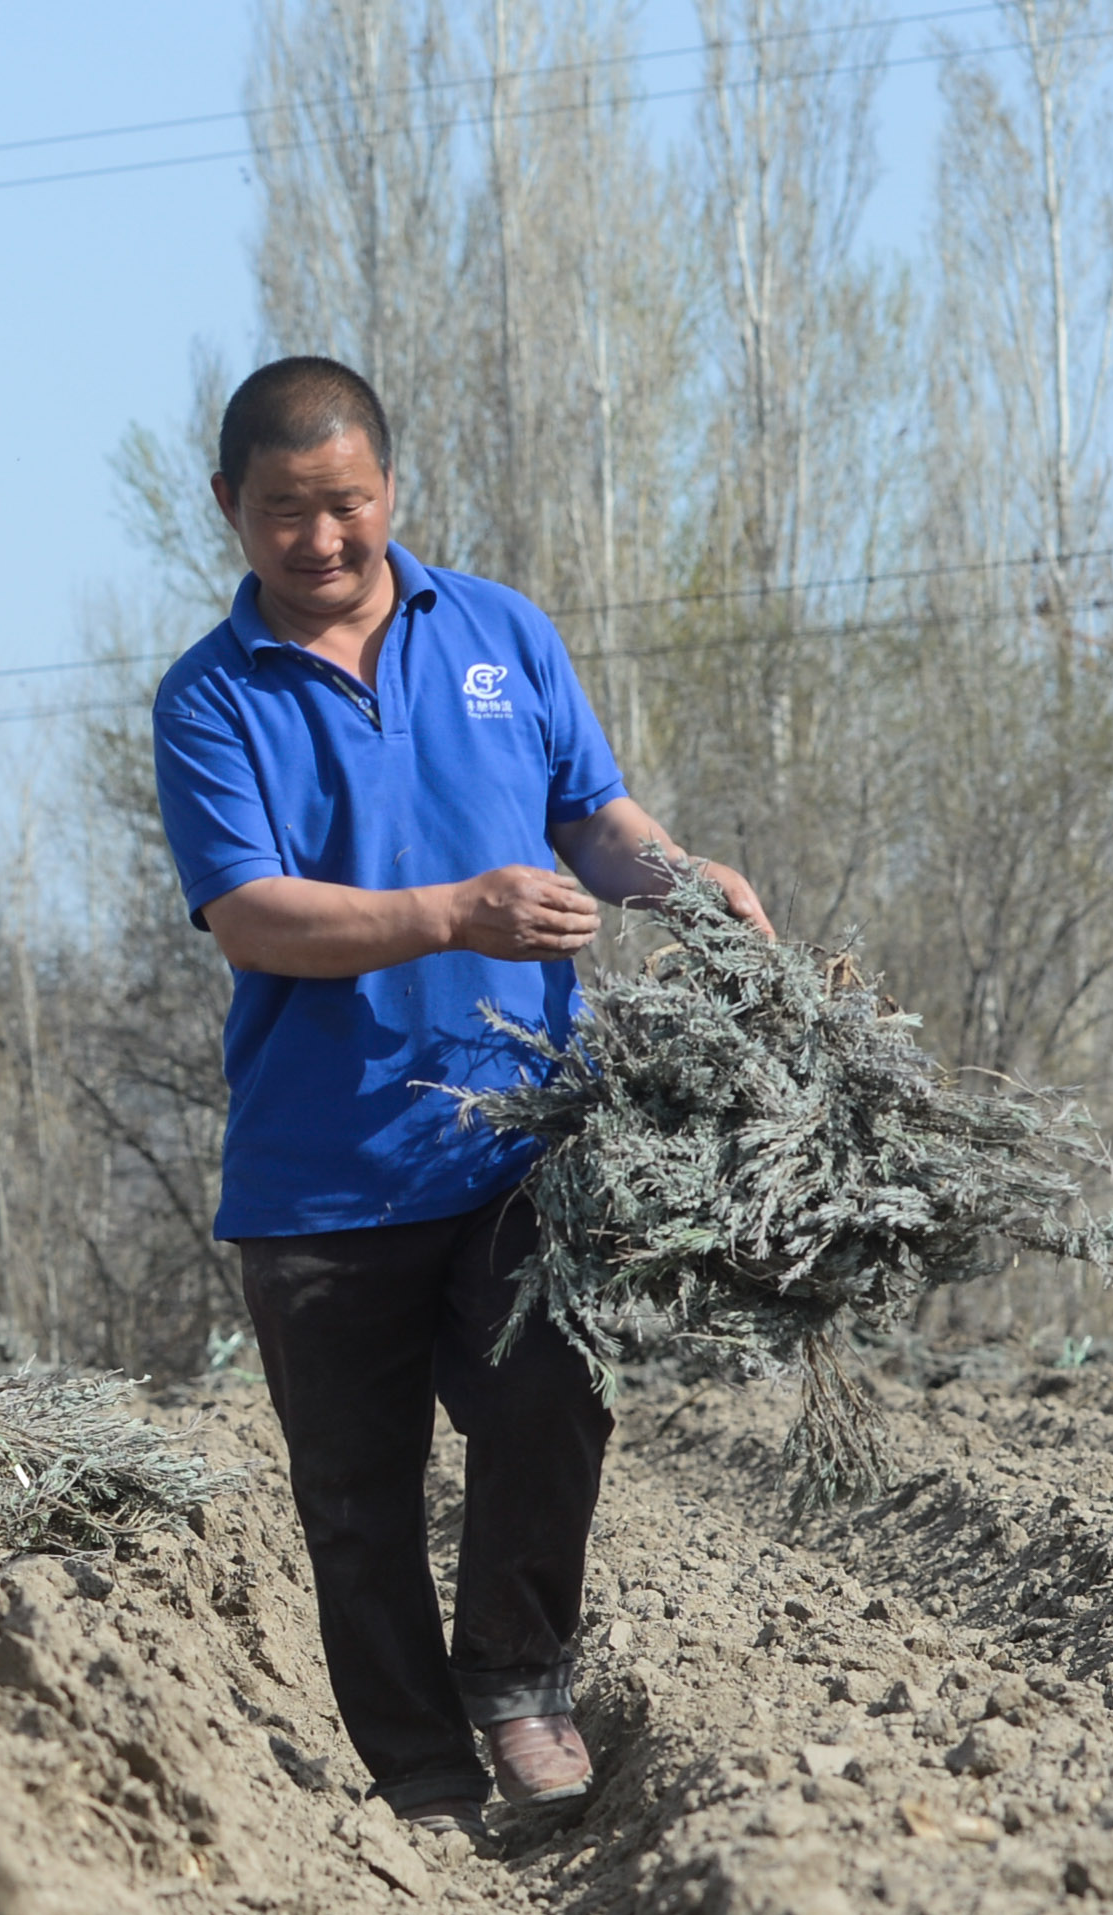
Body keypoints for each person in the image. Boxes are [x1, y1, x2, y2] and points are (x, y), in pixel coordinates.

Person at [150, 355, 770, 1835]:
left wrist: (677, 881)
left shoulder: (497, 632)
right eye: (284, 513)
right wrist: (452, 915)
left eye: (345, 506)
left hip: (519, 1135)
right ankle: (421, 1780)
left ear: (389, 493)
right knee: (355, 1507)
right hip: (320, 1168)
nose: (319, 542)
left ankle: (517, 1687)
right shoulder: (207, 701)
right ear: (229, 507)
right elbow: (249, 917)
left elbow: (590, 812)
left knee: (554, 1393)